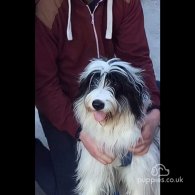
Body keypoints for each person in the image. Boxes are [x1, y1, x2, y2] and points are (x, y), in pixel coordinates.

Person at [35, 0, 160, 194]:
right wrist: (80, 132)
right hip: (65, 102)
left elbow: (137, 60)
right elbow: (43, 85)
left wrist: (154, 112)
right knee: (71, 189)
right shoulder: (48, 7)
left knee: (145, 178)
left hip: (117, 92)